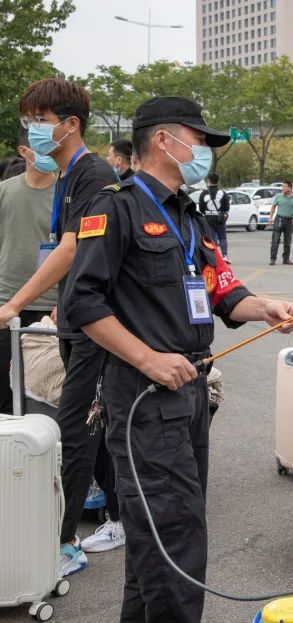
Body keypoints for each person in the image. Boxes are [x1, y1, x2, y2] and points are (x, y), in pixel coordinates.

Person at [64, 96, 293, 623]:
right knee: (173, 519)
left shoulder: (187, 216)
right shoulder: (113, 209)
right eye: (199, 141)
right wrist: (146, 358)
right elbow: (83, 303)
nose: (204, 153)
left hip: (190, 387)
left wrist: (264, 306)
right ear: (164, 141)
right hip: (144, 392)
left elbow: (222, 291)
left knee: (159, 517)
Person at [1, 78, 121, 575]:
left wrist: (16, 304)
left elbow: (73, 247)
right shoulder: (70, 175)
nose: (33, 128)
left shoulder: (91, 173)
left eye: (42, 120)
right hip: (72, 317)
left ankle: (65, 540)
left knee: (74, 424)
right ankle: (117, 509)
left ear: (71, 124)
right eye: (29, 119)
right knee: (93, 419)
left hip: (94, 322)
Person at [0, 126, 58, 415]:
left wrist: (66, 300)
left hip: (51, 308)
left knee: (45, 391)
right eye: (43, 147)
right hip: (6, 304)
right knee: (4, 393)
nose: (51, 153)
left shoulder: (67, 193)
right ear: (25, 152)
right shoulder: (5, 192)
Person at [198, 172, 230, 262]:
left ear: (208, 181)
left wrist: (207, 212)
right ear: (218, 181)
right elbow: (227, 207)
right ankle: (225, 256)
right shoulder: (223, 193)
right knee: (222, 237)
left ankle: (213, 257)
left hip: (208, 219)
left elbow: (201, 208)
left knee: (211, 239)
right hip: (220, 219)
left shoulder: (204, 193)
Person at [268, 180, 293, 265]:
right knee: (275, 240)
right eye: (282, 187)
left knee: (287, 241)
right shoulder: (279, 196)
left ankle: (286, 259)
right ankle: (273, 258)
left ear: (290, 188)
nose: (282, 188)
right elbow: (273, 207)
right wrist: (270, 218)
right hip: (279, 219)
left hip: (289, 220)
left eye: (284, 187)